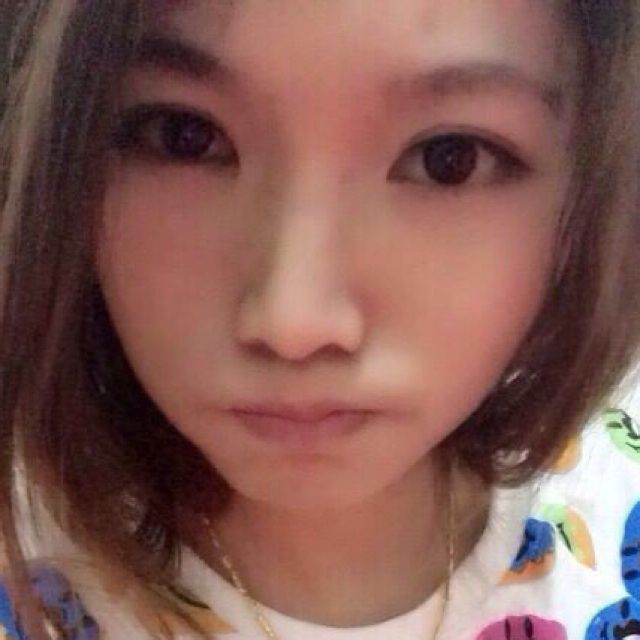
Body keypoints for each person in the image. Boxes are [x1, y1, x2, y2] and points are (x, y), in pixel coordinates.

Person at [0, 1, 639, 638]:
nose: (293, 325)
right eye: (183, 136)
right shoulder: (29, 585)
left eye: (450, 158)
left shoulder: (614, 504)